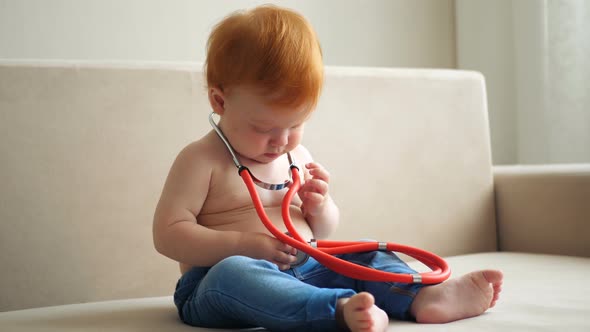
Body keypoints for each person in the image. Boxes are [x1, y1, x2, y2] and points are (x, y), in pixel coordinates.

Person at [152, 4, 503, 332]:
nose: (281, 141)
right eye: (263, 128)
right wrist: (242, 245)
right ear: (220, 101)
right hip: (218, 284)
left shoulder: (296, 155)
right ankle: (337, 310)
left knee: (366, 250)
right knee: (233, 273)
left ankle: (422, 297)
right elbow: (168, 234)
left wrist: (319, 207)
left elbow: (323, 231)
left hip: (310, 265)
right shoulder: (200, 160)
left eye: (296, 124)